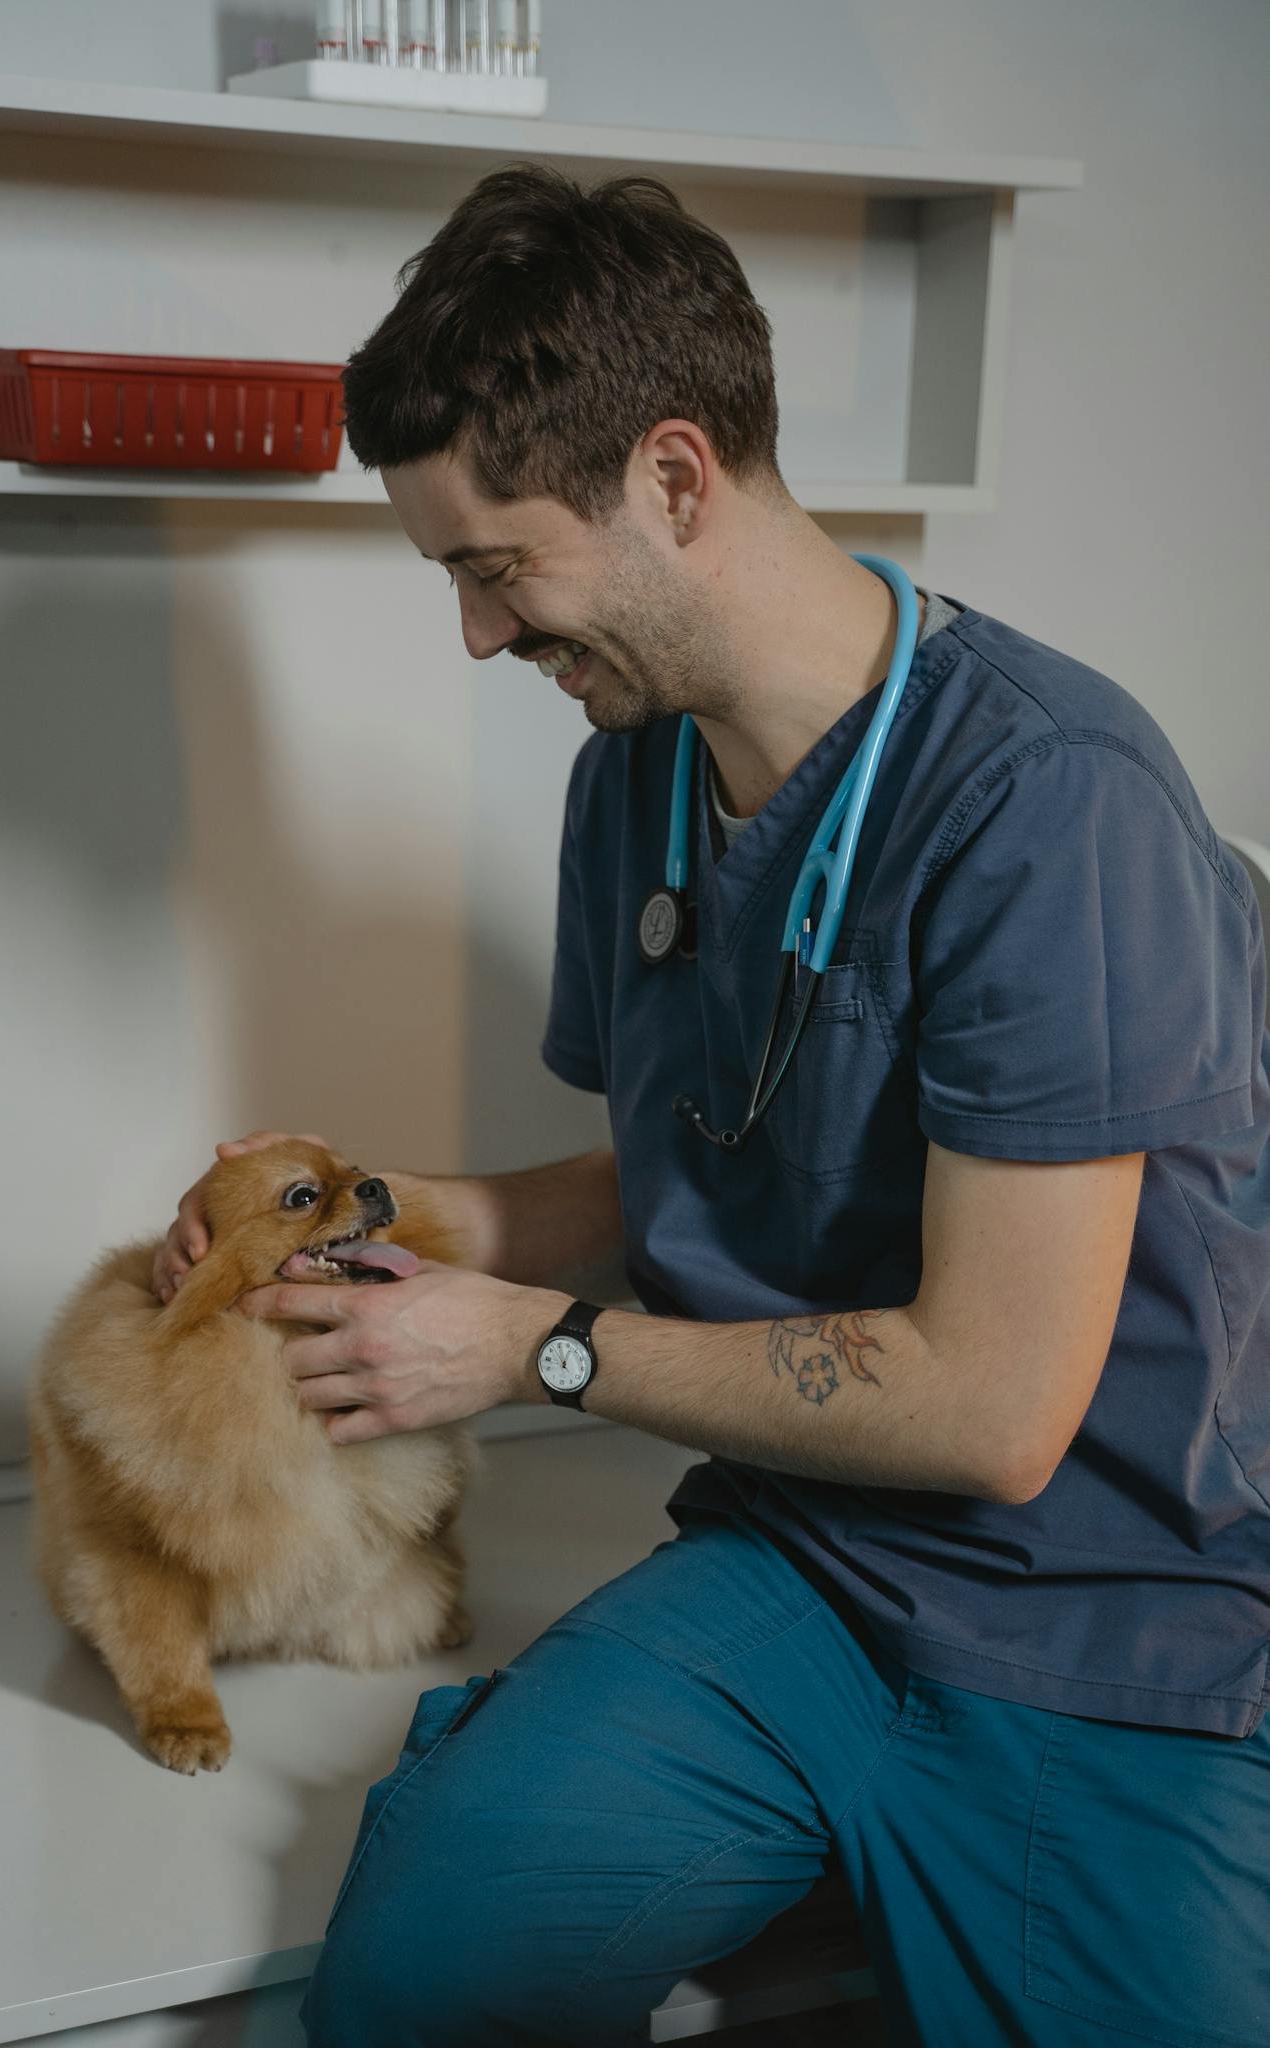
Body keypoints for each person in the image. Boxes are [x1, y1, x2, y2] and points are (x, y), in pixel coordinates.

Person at [151, 165, 1270, 2046]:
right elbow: (687, 1174)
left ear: (673, 479)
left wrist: (534, 1354)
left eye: (492, 567)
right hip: (796, 1569)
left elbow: (997, 1416)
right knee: (424, 1973)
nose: (480, 639)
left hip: (1097, 1621)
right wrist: (372, 1221)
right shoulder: (633, 781)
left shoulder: (1052, 807)